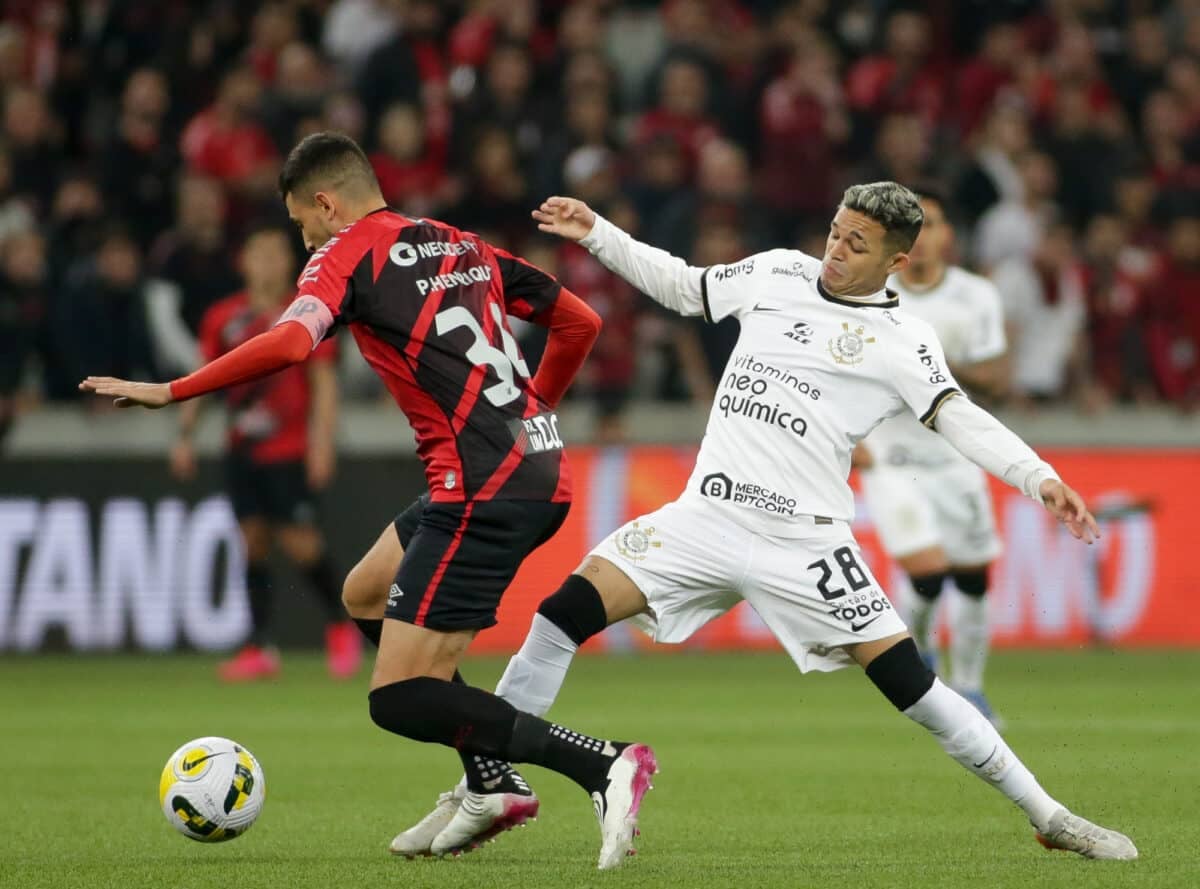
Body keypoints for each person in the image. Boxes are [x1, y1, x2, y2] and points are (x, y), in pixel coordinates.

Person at [391, 182, 1137, 862]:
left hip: (804, 541)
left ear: (897, 261)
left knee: (911, 684)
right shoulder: (778, 272)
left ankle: (1052, 815)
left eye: (856, 244)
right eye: (836, 232)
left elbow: (962, 420)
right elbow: (683, 287)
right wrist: (597, 231)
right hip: (703, 516)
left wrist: (1040, 477)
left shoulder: (903, 343)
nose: (835, 252)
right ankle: (489, 782)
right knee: (560, 615)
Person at [80, 132, 658, 871]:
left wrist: (171, 389)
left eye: (300, 221)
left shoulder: (349, 252)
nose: (303, 237)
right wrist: (533, 412)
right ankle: (490, 783)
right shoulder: (458, 242)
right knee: (363, 592)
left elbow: (292, 342)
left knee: (398, 697)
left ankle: (602, 762)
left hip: (482, 484)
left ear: (325, 202)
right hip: (519, 466)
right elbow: (581, 321)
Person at [169, 224, 359, 682]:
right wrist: (185, 434)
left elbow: (323, 384)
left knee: (300, 543)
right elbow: (206, 376)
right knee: (251, 542)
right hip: (241, 449)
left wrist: (321, 444)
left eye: (277, 254)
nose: (269, 263)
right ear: (244, 263)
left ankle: (339, 625)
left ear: (288, 264)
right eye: (260, 254)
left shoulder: (307, 312)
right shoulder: (222, 317)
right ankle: (259, 647)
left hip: (288, 449)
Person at [851, 191, 1008, 723]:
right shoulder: (873, 293)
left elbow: (997, 376)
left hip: (955, 455)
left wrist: (932, 367)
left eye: (932, 224)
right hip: (890, 456)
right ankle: (922, 662)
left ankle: (971, 686)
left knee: (971, 577)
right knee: (927, 570)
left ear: (947, 236)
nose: (922, 237)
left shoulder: (976, 296)